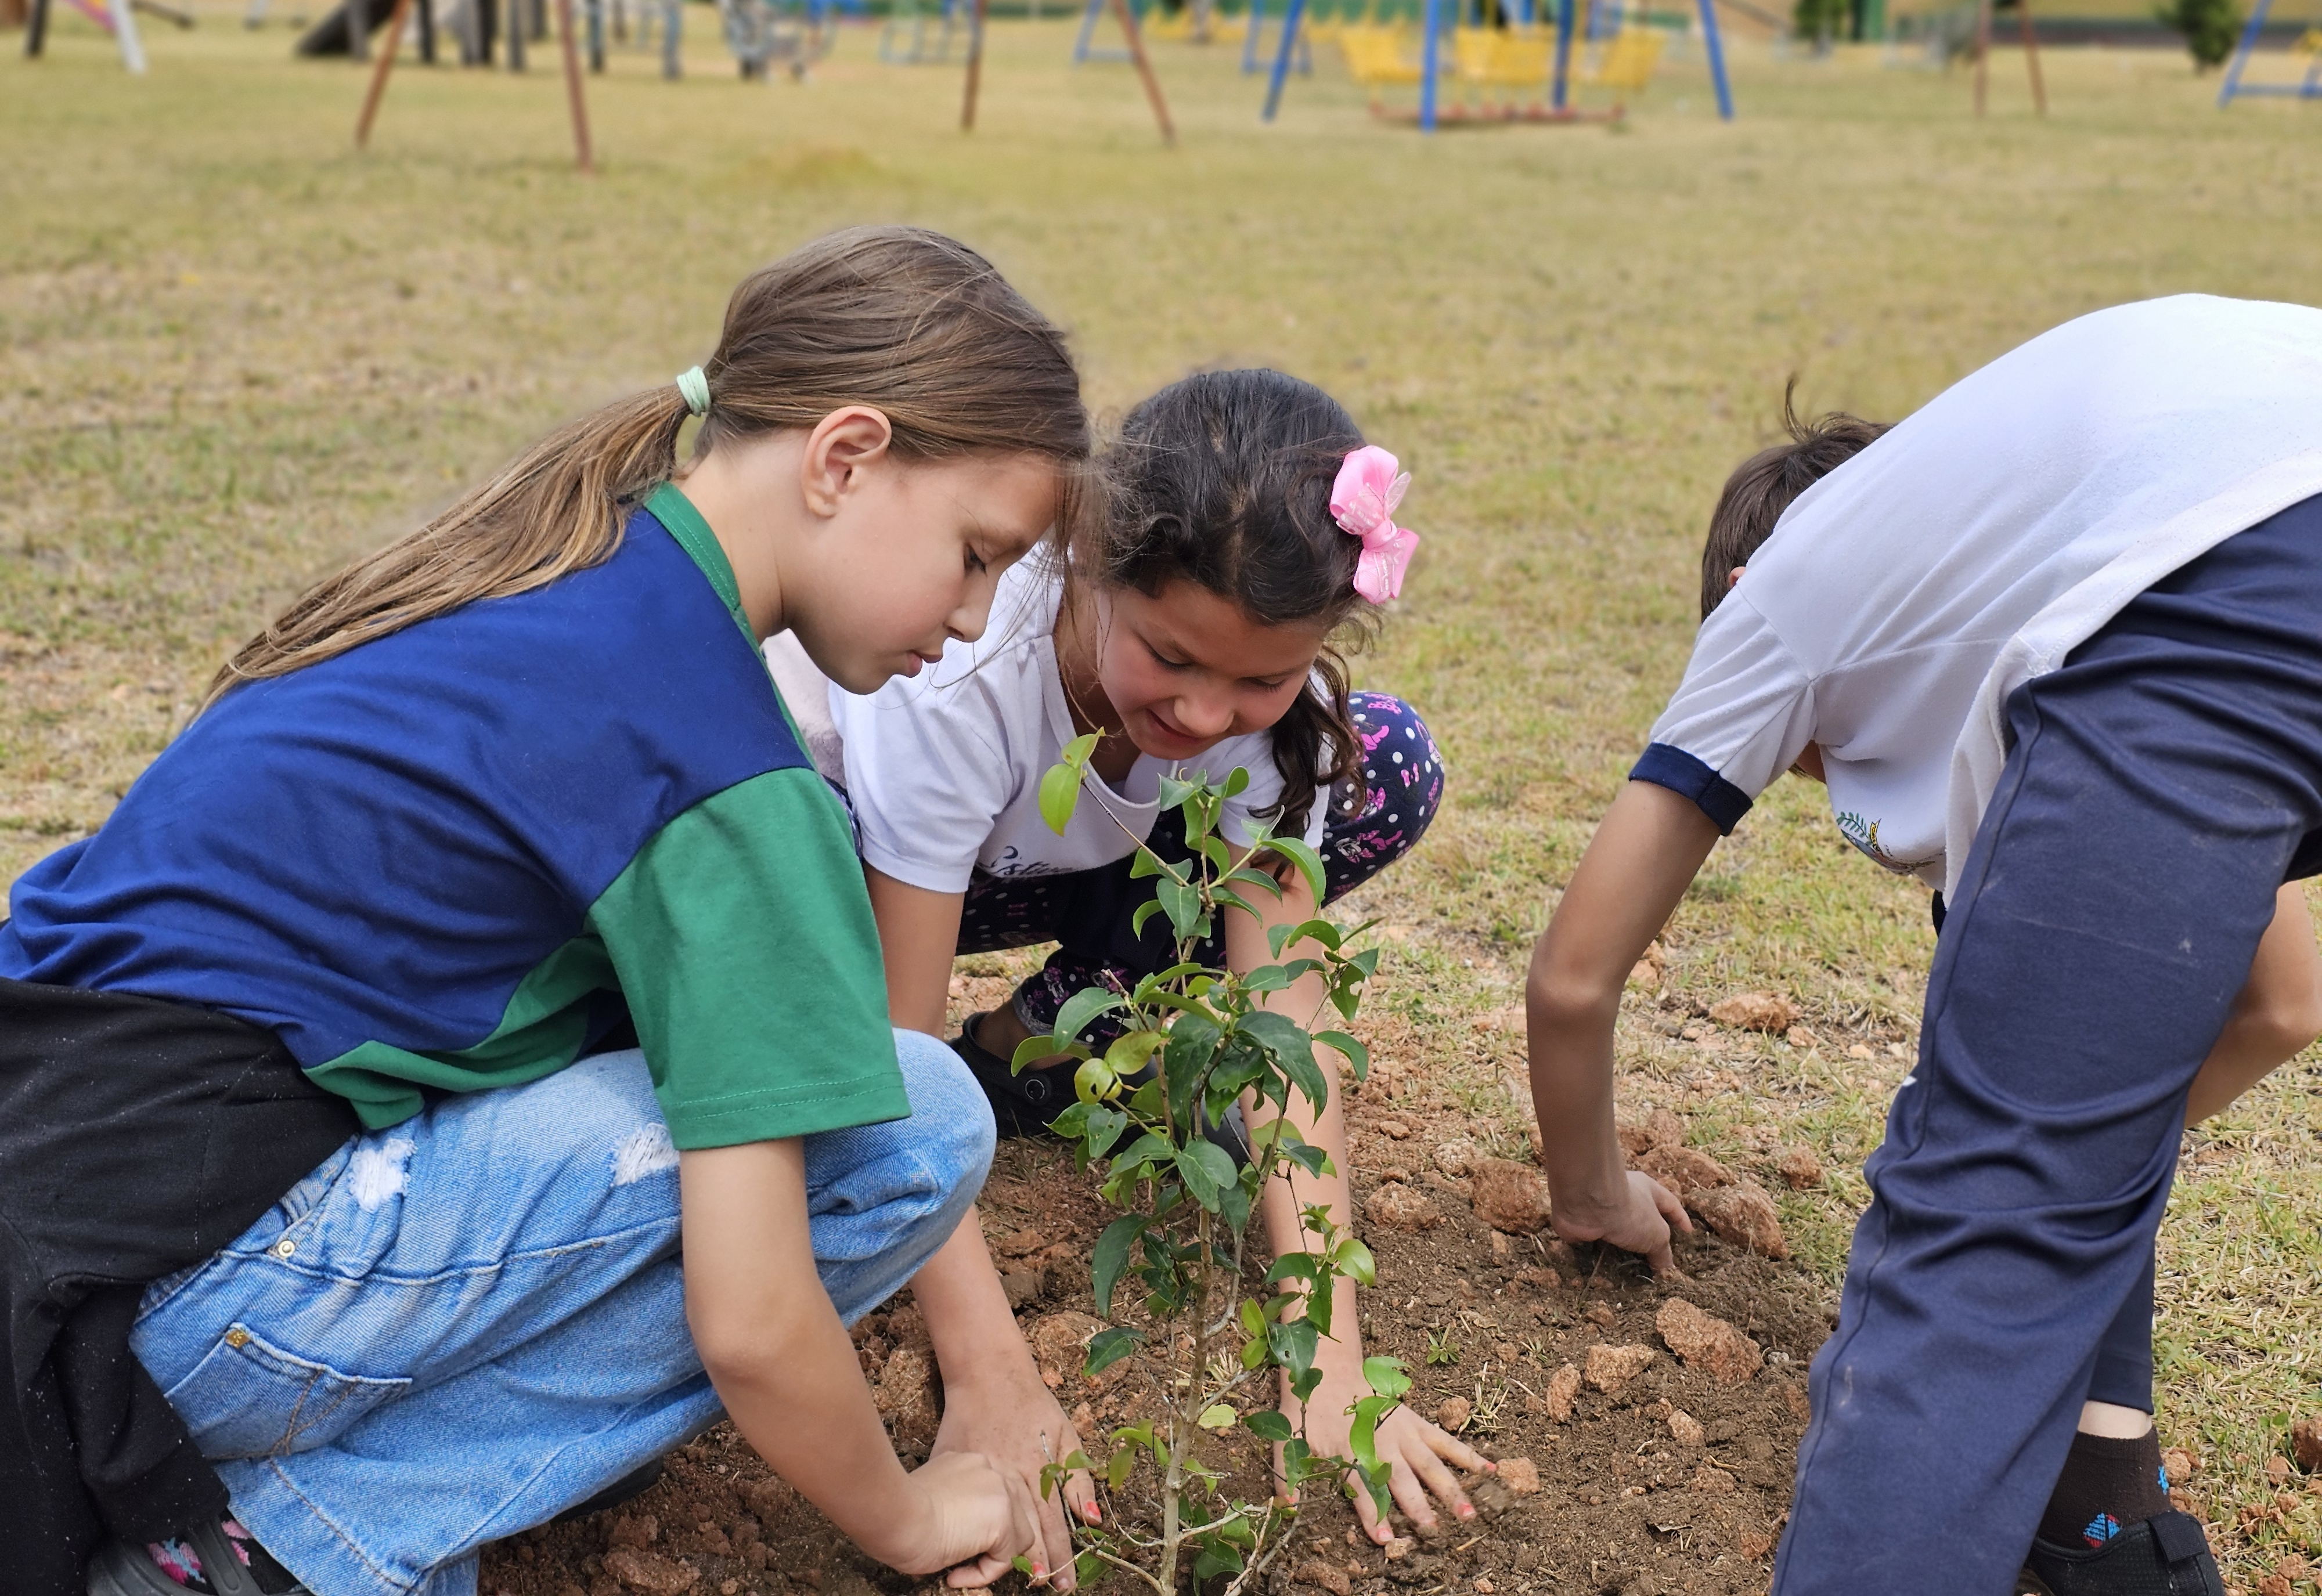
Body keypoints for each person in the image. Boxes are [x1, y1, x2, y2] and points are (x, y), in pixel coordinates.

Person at [1, 226, 1101, 1596]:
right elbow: (753, 1324)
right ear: (843, 457)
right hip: (189, 1303)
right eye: (978, 553)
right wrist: (913, 1521)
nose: (979, 615)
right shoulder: (720, 769)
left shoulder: (537, 564)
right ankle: (293, 1548)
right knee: (915, 1119)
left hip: (56, 1229)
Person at [1519, 294, 2322, 1596]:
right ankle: (2103, 1526)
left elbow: (1571, 975)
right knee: (2052, 1145)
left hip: (2259, 561)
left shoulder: (1781, 596)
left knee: (1981, 1240)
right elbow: (2282, 1007)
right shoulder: (2068, 556)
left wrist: (1589, 1186)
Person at [807, 369, 1479, 1544]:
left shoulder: (1266, 731)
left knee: (1383, 759)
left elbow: (1288, 1011)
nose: (1209, 713)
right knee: (828, 977)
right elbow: (897, 1049)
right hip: (856, 862)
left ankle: (1049, 1035)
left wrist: (1328, 1356)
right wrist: (990, 1371)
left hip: (1058, 866)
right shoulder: (959, 668)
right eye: (1171, 656)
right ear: (1087, 562)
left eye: (1260, 678)